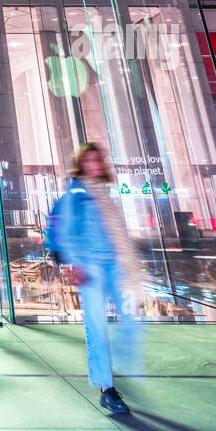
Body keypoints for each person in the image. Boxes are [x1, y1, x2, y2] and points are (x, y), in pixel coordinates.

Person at [51, 142, 143, 416]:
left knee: (130, 320)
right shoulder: (76, 193)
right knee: (97, 327)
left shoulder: (103, 193)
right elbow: (66, 228)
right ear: (81, 163)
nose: (94, 164)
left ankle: (115, 369)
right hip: (91, 265)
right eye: (88, 160)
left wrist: (130, 266)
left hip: (113, 264)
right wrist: (75, 262)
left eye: (97, 159)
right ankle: (106, 387)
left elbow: (119, 234)